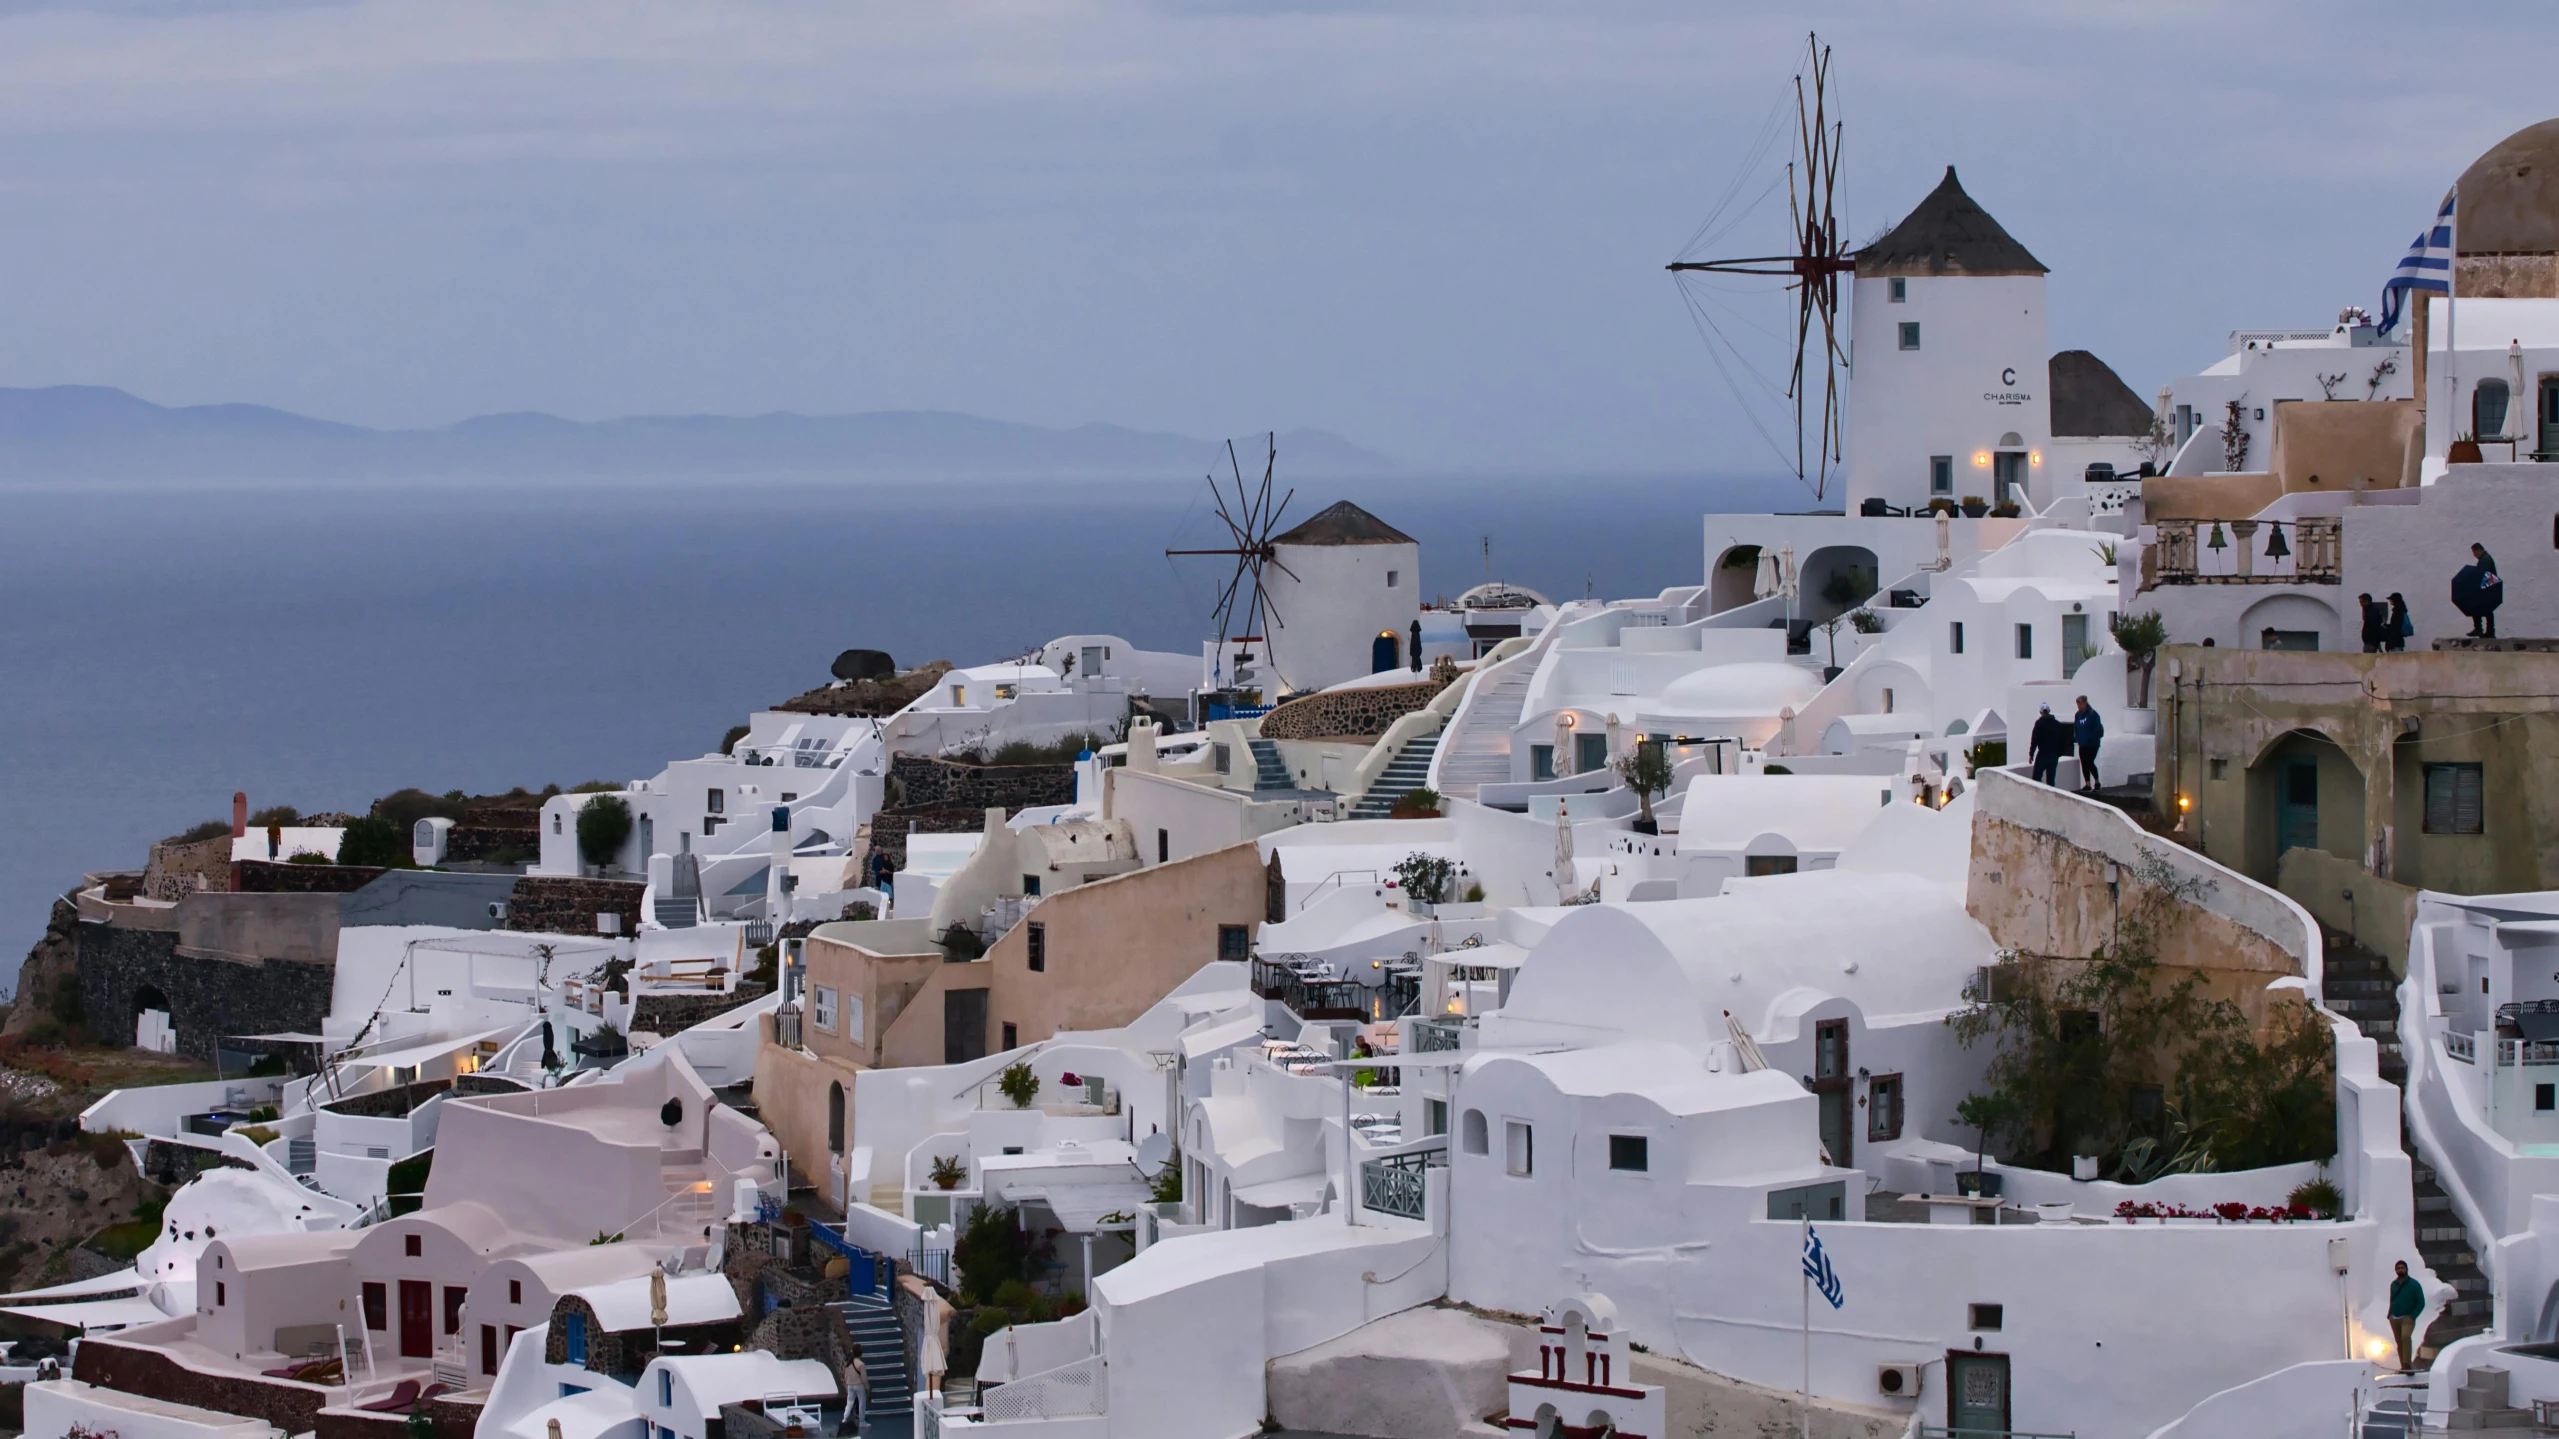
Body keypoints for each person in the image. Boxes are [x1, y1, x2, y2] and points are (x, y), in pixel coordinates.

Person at [2454, 542, 2504, 638]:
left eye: (2474, 552)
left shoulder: (2485, 560)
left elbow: (2480, 574)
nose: (2474, 555)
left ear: (2478, 550)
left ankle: (2482, 630)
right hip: (2488, 589)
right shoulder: (2485, 559)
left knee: (2481, 608)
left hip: (2486, 589)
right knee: (2485, 609)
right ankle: (2486, 630)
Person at [2389, 1260, 2425, 1369]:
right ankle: (2403, 1366)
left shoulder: (2414, 1284)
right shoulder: (2394, 1284)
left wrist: (2412, 1316)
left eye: (2402, 1268)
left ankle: (2407, 1364)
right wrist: (2390, 1313)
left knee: (2406, 1337)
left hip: (2407, 1318)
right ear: (2395, 1270)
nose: (2400, 1270)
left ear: (2406, 1269)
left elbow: (2421, 1302)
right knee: (2399, 1342)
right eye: (2398, 1268)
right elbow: (2392, 1299)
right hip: (2394, 1317)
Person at [2027, 703, 2068, 786]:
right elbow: (2062, 740)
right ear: (2049, 711)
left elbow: (2034, 739)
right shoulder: (2057, 724)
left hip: (2043, 754)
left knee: (2036, 778)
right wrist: (2059, 753)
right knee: (2051, 780)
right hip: (2053, 755)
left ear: (2041, 712)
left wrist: (2031, 754)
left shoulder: (2039, 723)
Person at [2072, 696, 2105, 792]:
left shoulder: (2092, 714)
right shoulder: (2077, 715)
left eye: (2080, 704)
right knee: (2084, 763)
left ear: (2085, 703)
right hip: (2082, 744)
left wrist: (2093, 737)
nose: (2079, 706)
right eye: (2078, 705)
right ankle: (2087, 783)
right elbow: (2076, 728)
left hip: (2092, 744)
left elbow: (2098, 728)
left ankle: (2097, 781)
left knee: (2089, 762)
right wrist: (2077, 739)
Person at [843, 1350, 870, 1436]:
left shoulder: (847, 1364)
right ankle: (862, 1422)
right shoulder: (861, 1364)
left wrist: (848, 1382)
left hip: (850, 1385)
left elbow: (845, 1376)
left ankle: (845, 1418)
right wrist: (867, 1387)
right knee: (862, 1403)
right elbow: (864, 1378)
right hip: (858, 1385)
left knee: (849, 1402)